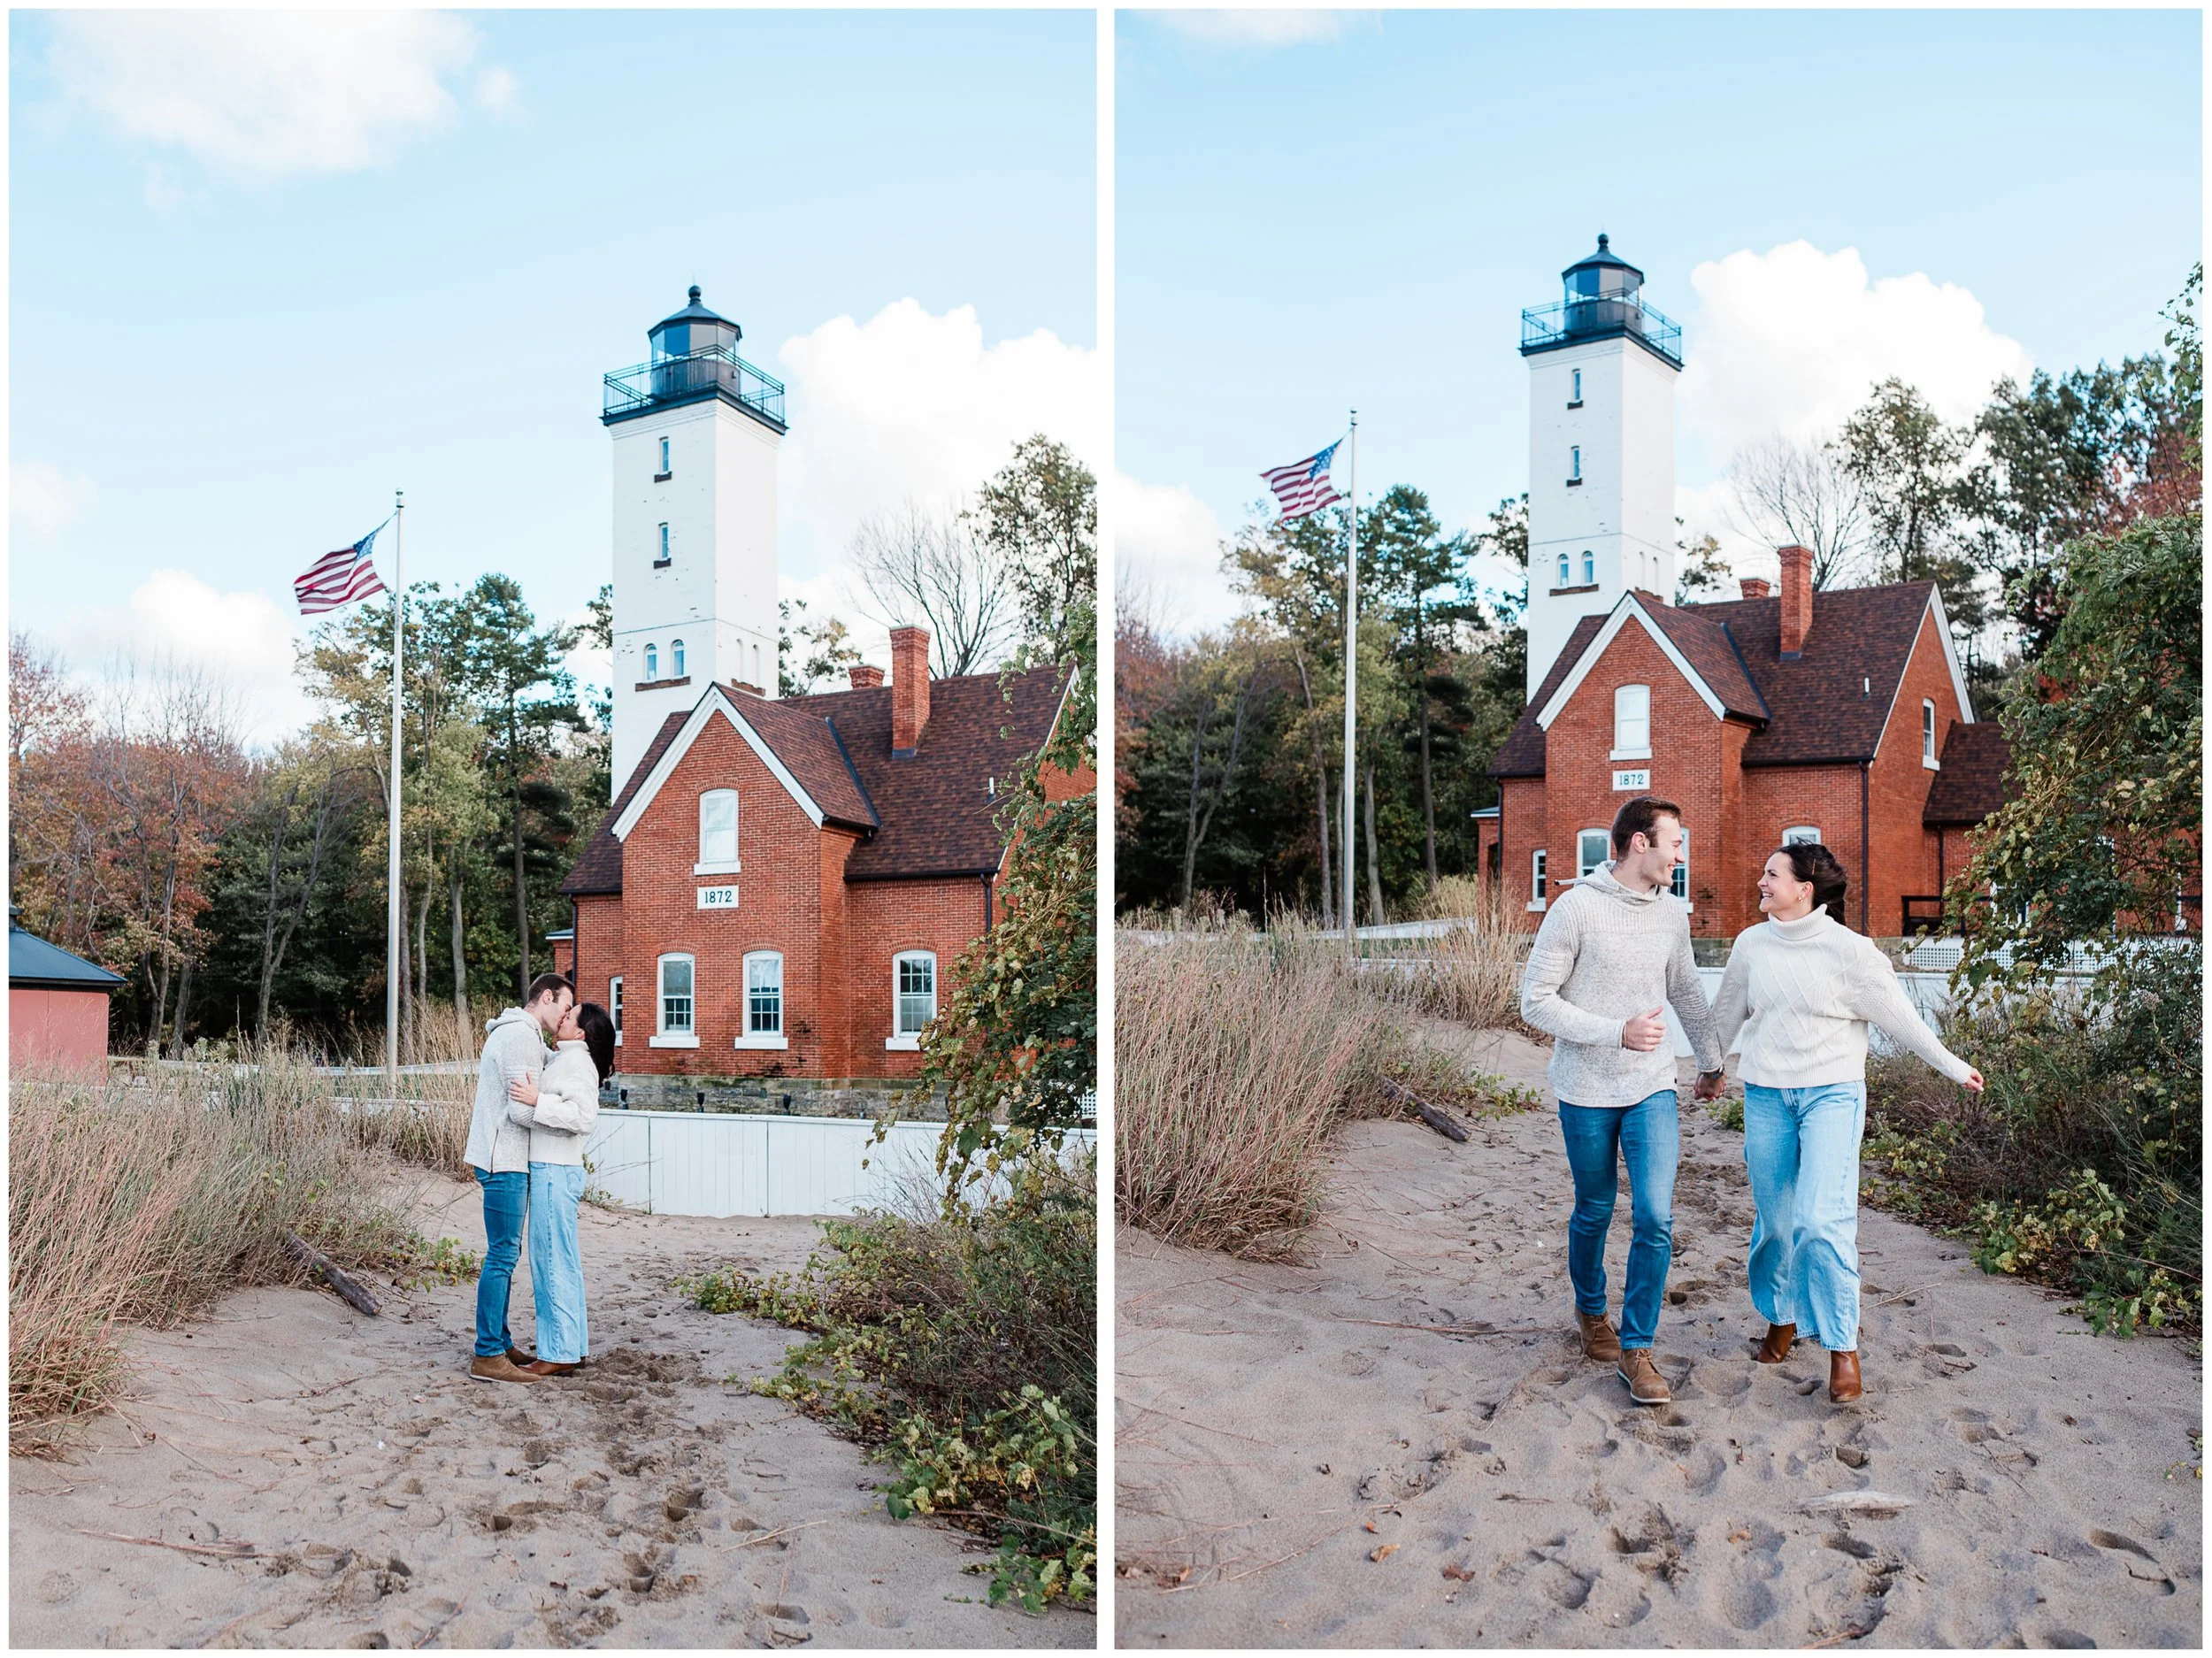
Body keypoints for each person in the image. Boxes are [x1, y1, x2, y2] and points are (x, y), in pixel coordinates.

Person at [1711, 842, 1985, 1404]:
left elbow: (1902, 1020)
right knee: (1777, 1221)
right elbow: (1726, 1013)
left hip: (1832, 1096)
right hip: (1765, 1096)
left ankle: (1842, 1346)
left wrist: (1954, 1067)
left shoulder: (1853, 954)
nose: (1759, 881)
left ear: (1804, 889)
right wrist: (1710, 1067)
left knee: (1822, 1220)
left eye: (1771, 874)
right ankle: (1782, 1317)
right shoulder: (1751, 944)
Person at [1520, 796, 1726, 1407]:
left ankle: (1637, 1349)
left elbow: (1687, 988)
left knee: (1657, 1217)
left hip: (1651, 1086)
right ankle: (1590, 1312)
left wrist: (1712, 1061)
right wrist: (1616, 1030)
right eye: (1675, 843)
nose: (1680, 855)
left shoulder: (1671, 914)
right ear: (1641, 843)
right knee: (1595, 1208)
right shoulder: (1575, 909)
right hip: (1584, 1088)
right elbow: (1535, 1001)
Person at [463, 972, 572, 1385]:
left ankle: (500, 1341)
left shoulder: (524, 1036)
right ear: (546, 997)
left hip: (505, 1158)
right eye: (563, 1008)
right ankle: (487, 1354)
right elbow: (521, 1111)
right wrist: (558, 1111)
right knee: (502, 1256)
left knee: (504, 1254)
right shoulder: (520, 1037)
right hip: (503, 1159)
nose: (564, 1018)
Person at [504, 1001, 614, 1378]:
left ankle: (558, 1354)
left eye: (569, 1016)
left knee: (550, 1260)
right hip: (554, 1170)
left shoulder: (579, 1064)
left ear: (580, 1033)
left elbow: (583, 1117)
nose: (562, 1017)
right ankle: (571, 1346)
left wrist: (539, 1101)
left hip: (556, 1170)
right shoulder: (564, 1059)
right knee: (561, 1260)